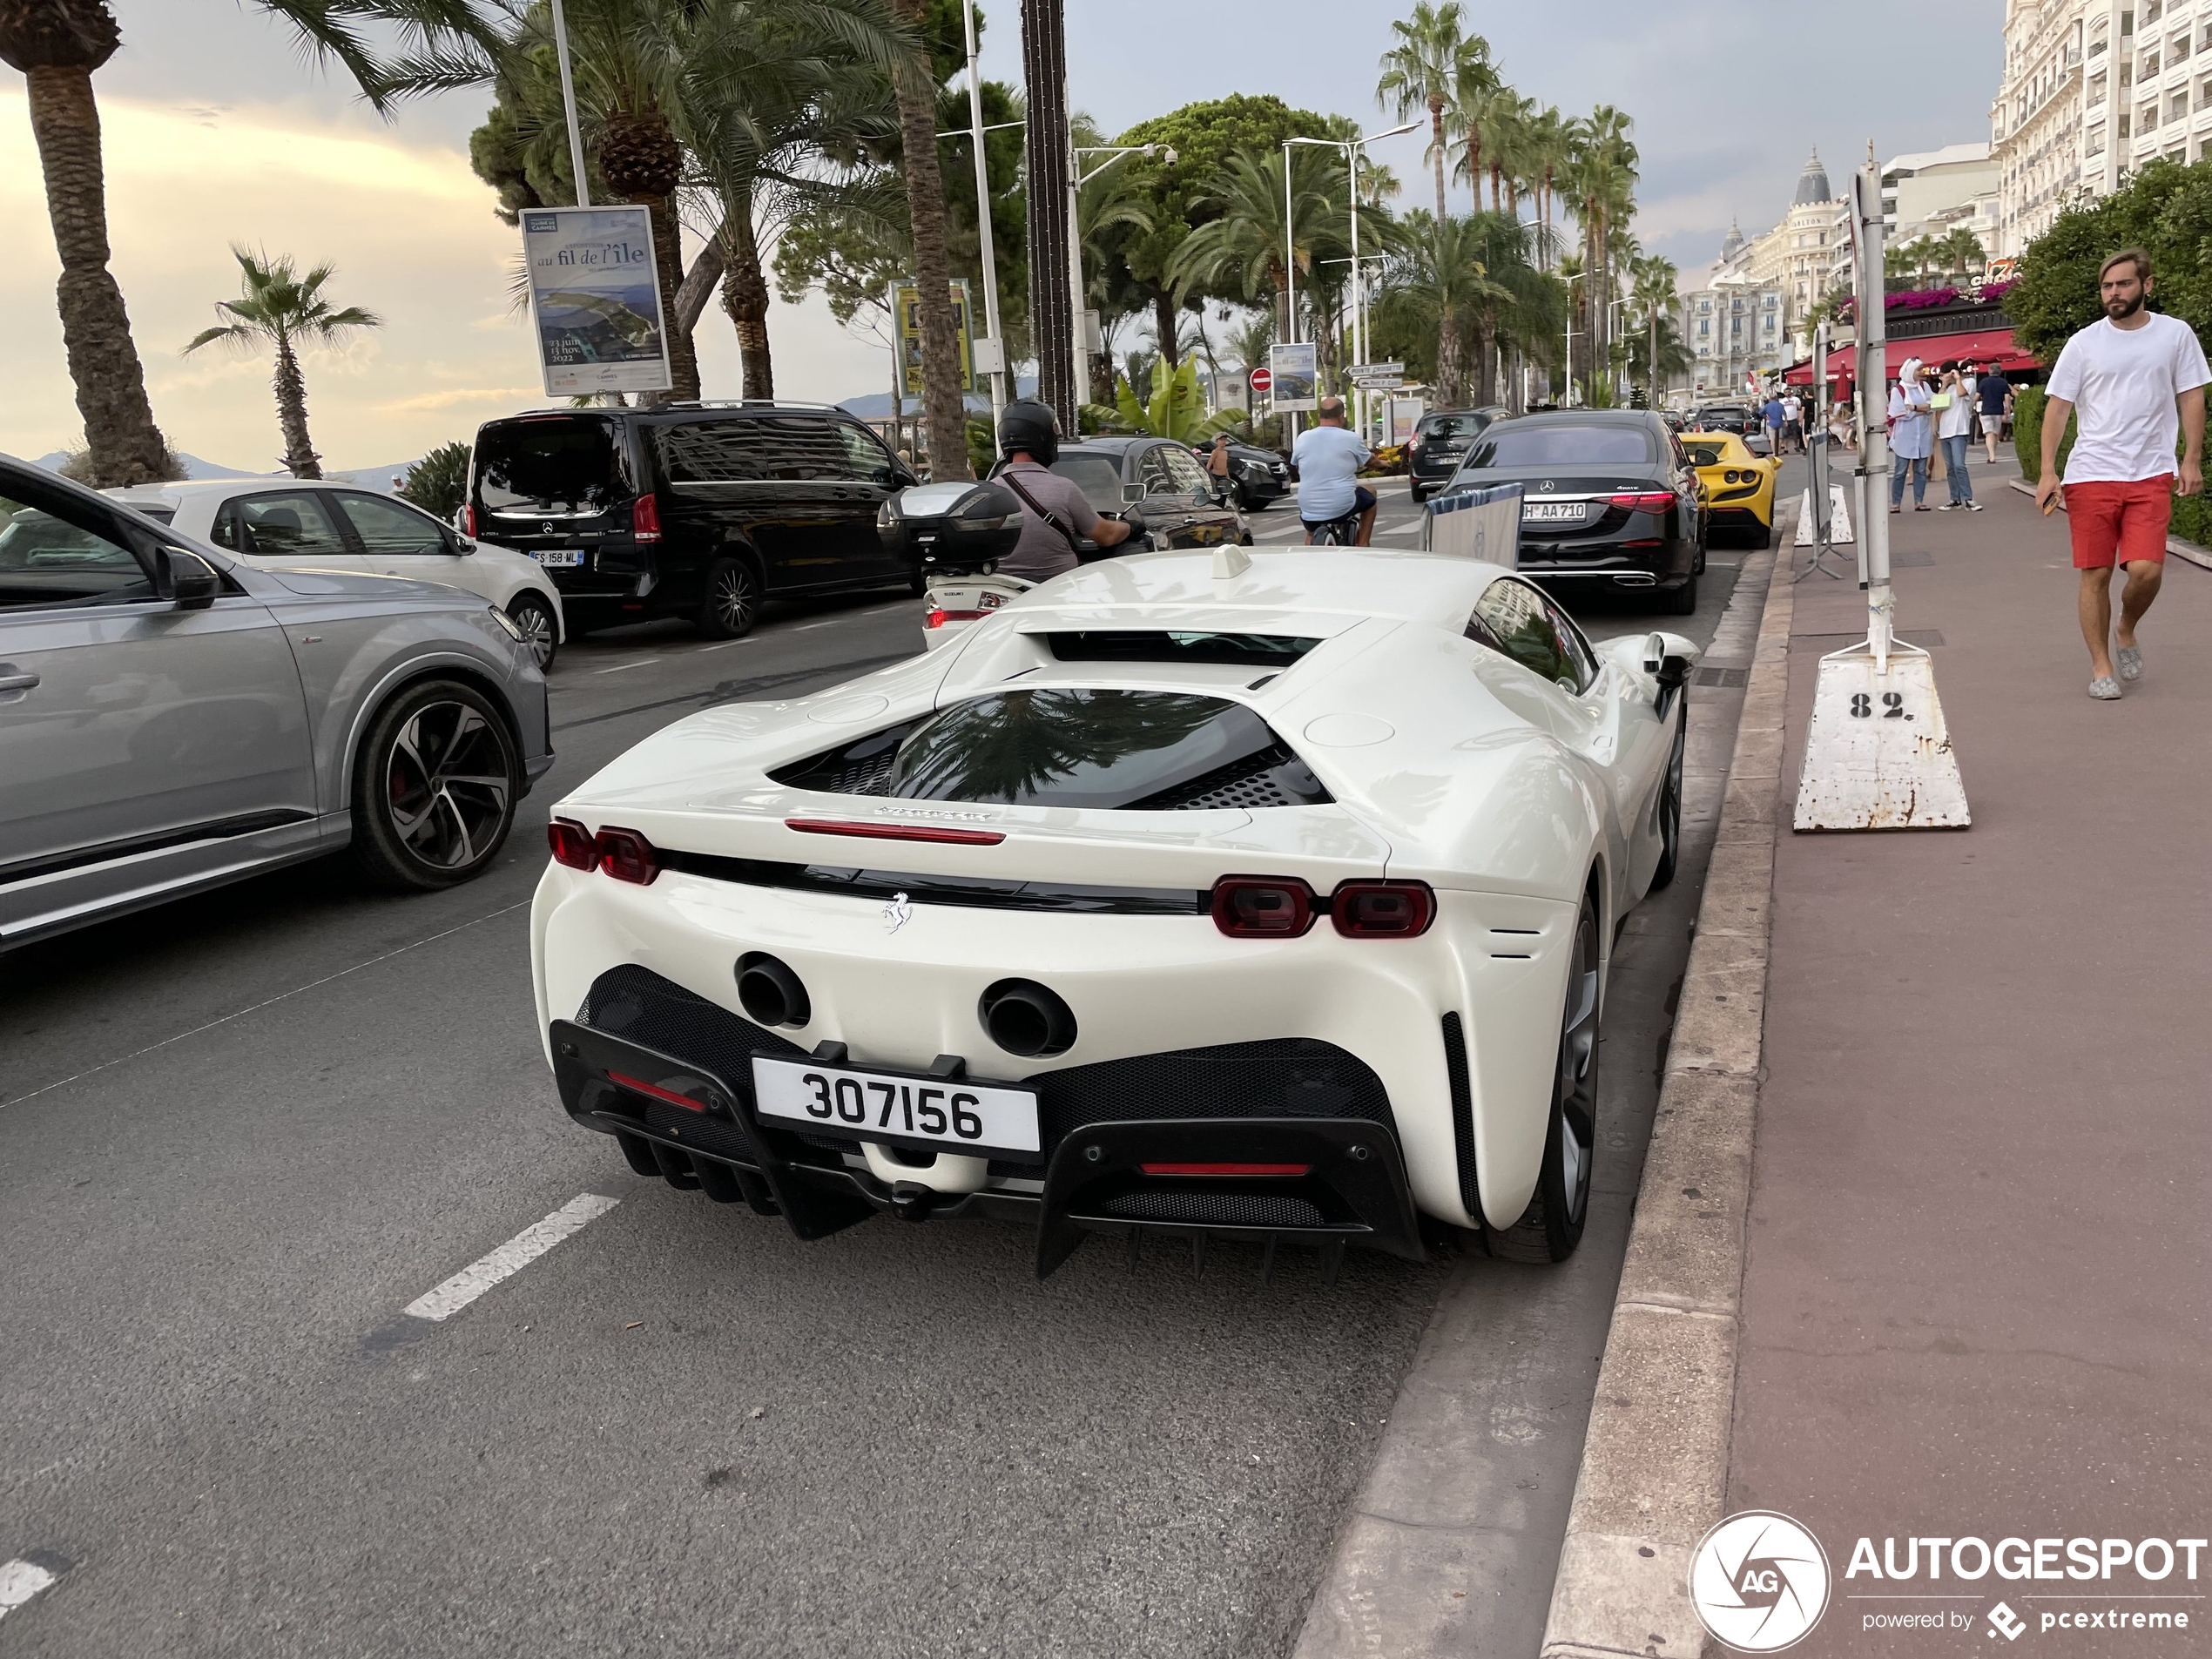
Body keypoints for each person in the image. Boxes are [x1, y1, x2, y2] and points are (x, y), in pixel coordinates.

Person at [2033, 247, 2209, 699]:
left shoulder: (2175, 335)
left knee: (2147, 570)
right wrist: (2048, 472)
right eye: (2107, 286)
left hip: (2150, 471)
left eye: (2123, 284)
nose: (2114, 293)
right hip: (2092, 472)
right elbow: (2058, 408)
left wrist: (2190, 459)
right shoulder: (2083, 343)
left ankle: (2126, 626)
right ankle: (2100, 666)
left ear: (2146, 286)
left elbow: (2191, 396)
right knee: (2095, 573)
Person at [990, 398, 1136, 583]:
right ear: (1044, 438)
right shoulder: (1064, 489)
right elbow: (1106, 536)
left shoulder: (991, 492)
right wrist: (1130, 528)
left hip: (1006, 593)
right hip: (1059, 590)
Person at [1291, 395, 1376, 544]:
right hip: (1342, 506)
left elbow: (1297, 466)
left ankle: (1308, 556)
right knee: (1371, 493)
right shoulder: (1351, 438)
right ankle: (1364, 543)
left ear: (1319, 416)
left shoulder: (1303, 437)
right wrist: (1384, 464)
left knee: (1311, 533)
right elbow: (1371, 462)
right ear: (1341, 416)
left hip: (1309, 508)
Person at [1888, 359, 1934, 511]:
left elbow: (1933, 405)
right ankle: (1896, 503)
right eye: (1918, 369)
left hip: (1923, 433)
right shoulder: (1898, 390)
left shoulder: (1924, 386)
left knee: (1921, 470)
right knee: (1900, 471)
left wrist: (1913, 408)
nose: (1922, 372)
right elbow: (1900, 413)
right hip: (1904, 436)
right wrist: (1922, 409)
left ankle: (1919, 501)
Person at [1935, 363, 1981, 510]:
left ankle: (1968, 498)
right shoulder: (1947, 388)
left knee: (1959, 465)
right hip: (1945, 431)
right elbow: (1938, 405)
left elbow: (1962, 394)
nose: (1943, 376)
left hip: (1959, 430)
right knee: (1950, 467)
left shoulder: (1969, 382)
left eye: (1945, 374)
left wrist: (1958, 378)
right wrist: (1943, 385)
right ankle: (1954, 498)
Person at [1979, 366, 2015, 465]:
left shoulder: (1983, 382)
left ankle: (1992, 456)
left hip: (1986, 410)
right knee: (1995, 433)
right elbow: (2007, 397)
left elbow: (1977, 395)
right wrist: (2008, 410)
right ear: (2000, 372)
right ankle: (1992, 454)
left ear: (1989, 371)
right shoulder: (2003, 382)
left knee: (1989, 433)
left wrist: (1971, 407)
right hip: (1998, 411)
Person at [1205, 432, 1235, 505]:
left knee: (1224, 495)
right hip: (1216, 476)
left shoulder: (1225, 453)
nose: (1223, 442)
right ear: (1217, 441)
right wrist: (1206, 473)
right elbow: (1210, 463)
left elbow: (1225, 466)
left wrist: (1228, 478)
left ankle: (1222, 507)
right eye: (1221, 440)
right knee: (1217, 494)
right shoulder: (1215, 452)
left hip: (1223, 477)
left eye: (1225, 440)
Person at [1763, 391, 1785, 455]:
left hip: (1771, 423)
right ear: (1776, 398)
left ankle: (1774, 452)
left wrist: (1766, 417)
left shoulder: (1767, 406)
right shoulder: (1780, 405)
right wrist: (1785, 421)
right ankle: (1778, 450)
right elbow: (1784, 413)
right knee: (1780, 437)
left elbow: (1761, 413)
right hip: (1780, 422)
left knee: (1772, 438)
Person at [1782, 390, 1804, 454]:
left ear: (1791, 392)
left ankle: (1795, 445)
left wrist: (1799, 417)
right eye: (1786, 392)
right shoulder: (1782, 401)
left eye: (1788, 392)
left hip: (1794, 418)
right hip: (1785, 419)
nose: (1787, 393)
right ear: (1784, 393)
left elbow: (1799, 407)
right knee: (1785, 434)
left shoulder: (1796, 399)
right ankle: (1786, 448)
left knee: (1795, 434)